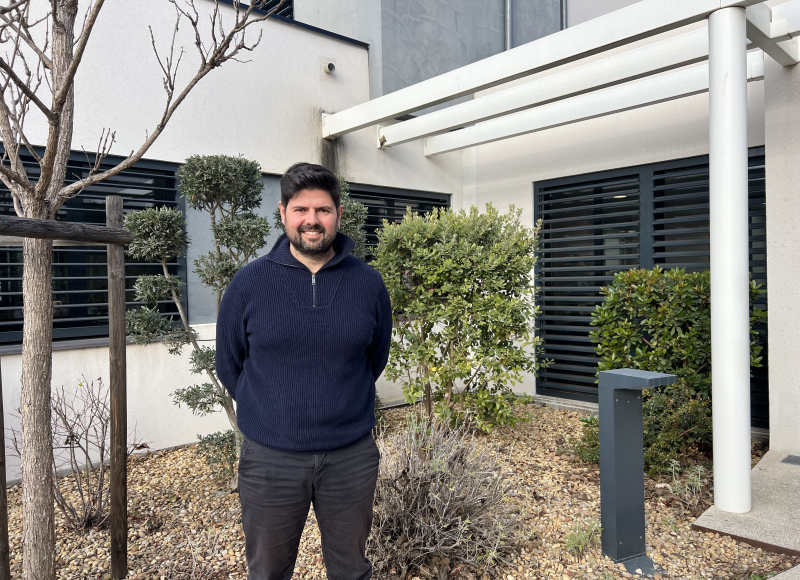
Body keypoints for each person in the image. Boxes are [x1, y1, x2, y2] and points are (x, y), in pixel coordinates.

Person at [215, 162, 393, 580]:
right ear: (283, 213)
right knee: (267, 572)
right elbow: (229, 364)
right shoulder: (248, 284)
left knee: (351, 570)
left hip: (350, 458)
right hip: (270, 459)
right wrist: (273, 411)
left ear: (338, 215)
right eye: (301, 210)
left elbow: (375, 358)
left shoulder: (368, 283)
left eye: (322, 210)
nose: (312, 220)